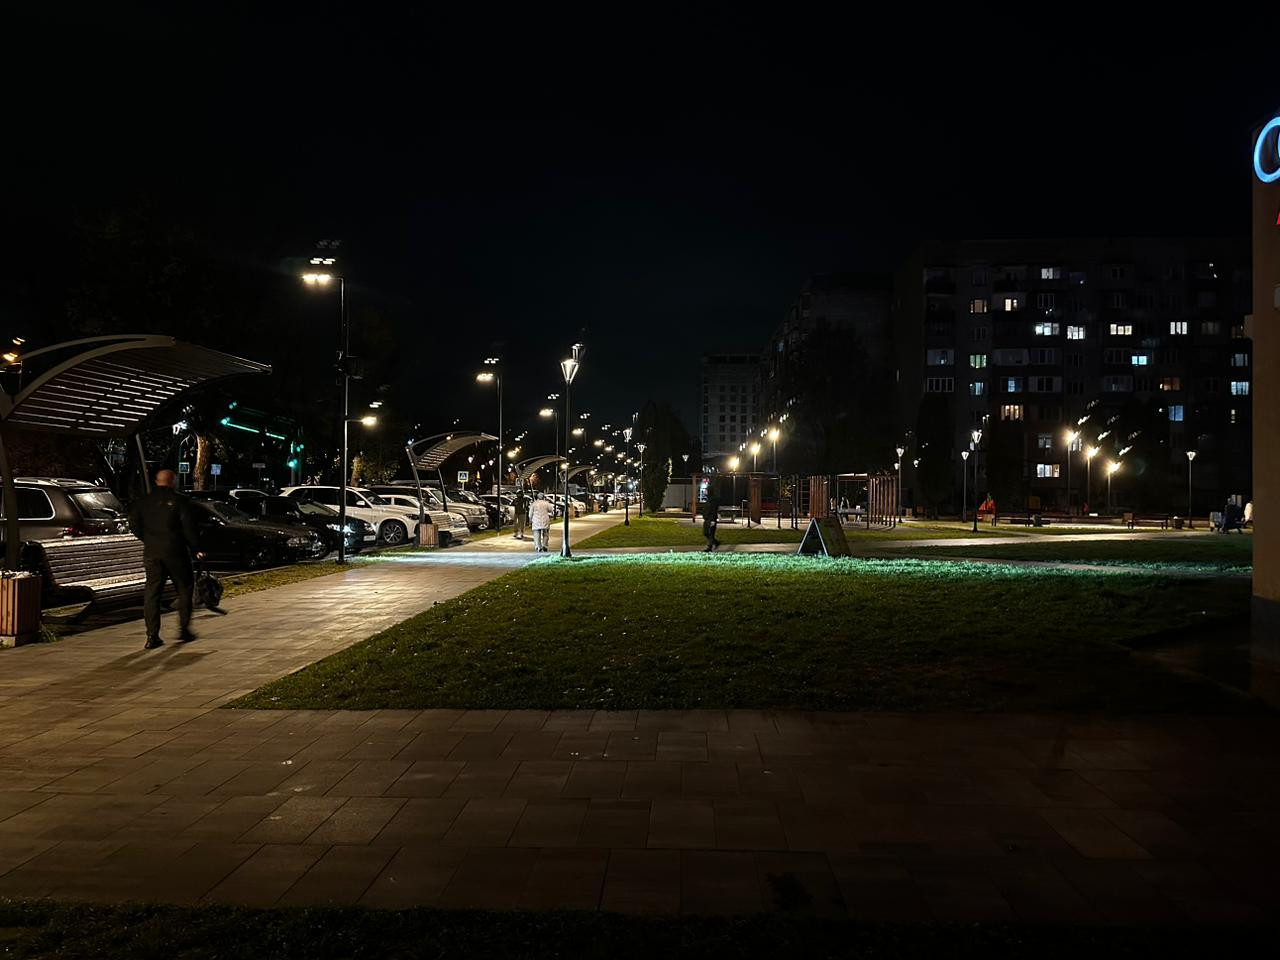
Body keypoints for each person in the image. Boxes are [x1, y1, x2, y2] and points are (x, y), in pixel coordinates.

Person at [127, 469, 204, 650]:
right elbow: (188, 527)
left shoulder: (143, 502)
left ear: (156, 481)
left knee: (152, 593)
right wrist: (197, 548)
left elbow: (134, 524)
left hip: (152, 552)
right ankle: (184, 629)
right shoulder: (180, 501)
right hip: (176, 552)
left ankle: (152, 635)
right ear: (173, 481)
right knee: (184, 589)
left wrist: (148, 539)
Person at [702, 481, 721, 552]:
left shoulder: (713, 500)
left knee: (710, 534)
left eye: (706, 490)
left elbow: (713, 510)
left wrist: (713, 520)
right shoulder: (708, 499)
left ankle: (709, 547)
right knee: (705, 533)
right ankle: (716, 542)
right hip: (706, 519)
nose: (705, 491)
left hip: (711, 519)